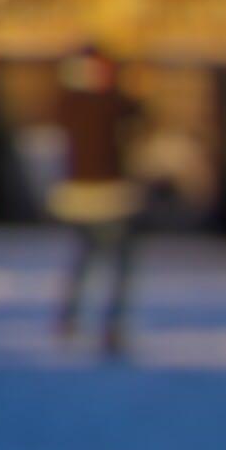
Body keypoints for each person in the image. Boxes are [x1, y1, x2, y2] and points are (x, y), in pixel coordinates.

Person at [49, 43, 146, 358]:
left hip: (77, 198)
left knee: (85, 260)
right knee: (119, 266)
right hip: (109, 198)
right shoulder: (107, 102)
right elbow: (138, 112)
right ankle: (111, 328)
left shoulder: (67, 103)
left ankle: (69, 319)